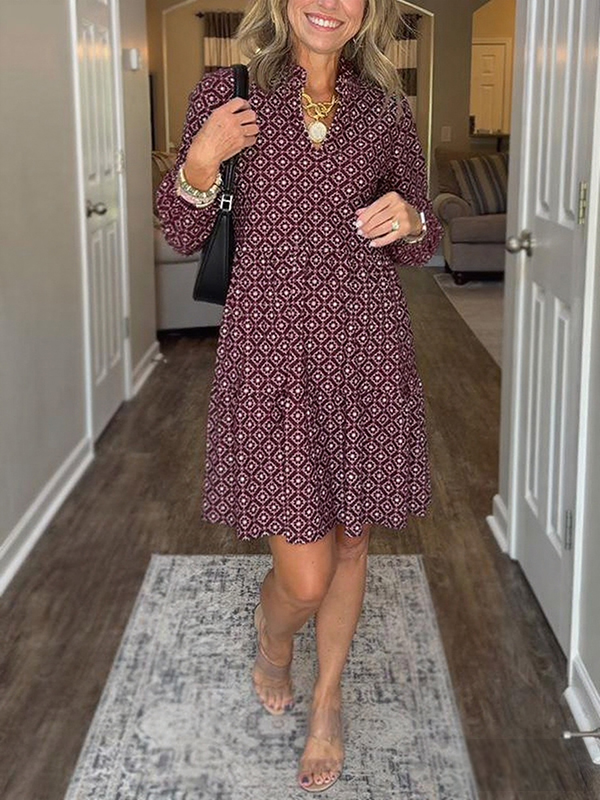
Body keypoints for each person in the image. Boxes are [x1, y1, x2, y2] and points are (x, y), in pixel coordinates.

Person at [156, 0, 443, 791]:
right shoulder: (229, 92)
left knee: (351, 540)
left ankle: (327, 700)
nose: (329, 3)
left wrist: (411, 218)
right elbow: (180, 232)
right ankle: (274, 637)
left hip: (366, 351)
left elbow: (421, 239)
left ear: (368, 9)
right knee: (304, 576)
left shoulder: (385, 109)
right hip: (272, 359)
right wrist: (201, 163)